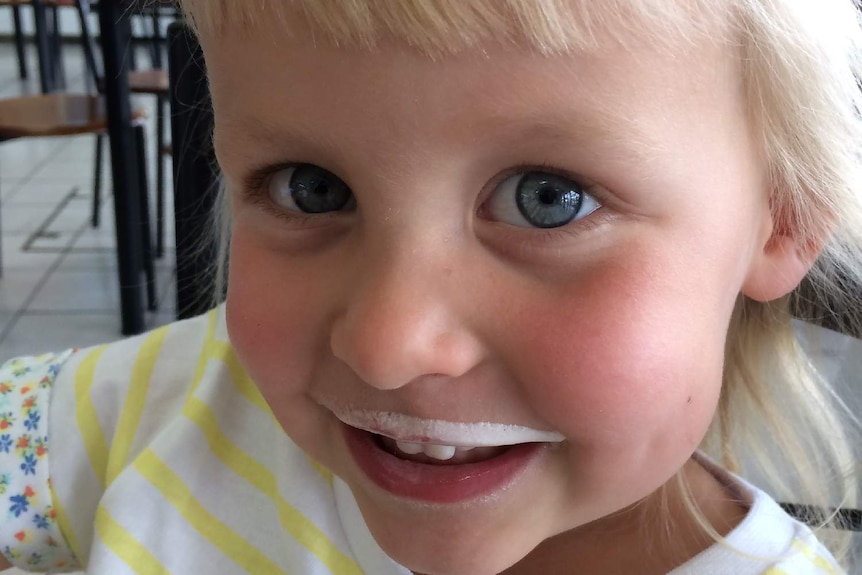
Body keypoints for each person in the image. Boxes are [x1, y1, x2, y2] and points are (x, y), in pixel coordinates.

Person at [1, 0, 861, 573]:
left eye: (547, 199)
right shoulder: (185, 402)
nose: (386, 342)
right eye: (311, 187)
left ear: (782, 216)